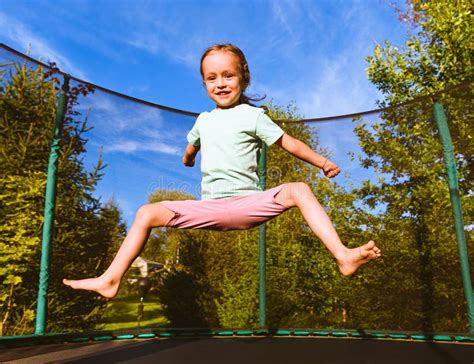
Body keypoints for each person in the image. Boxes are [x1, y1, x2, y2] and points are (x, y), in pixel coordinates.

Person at [63, 44, 381, 298]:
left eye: (228, 75)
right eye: (212, 78)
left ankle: (343, 255)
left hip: (247, 204)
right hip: (209, 208)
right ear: (204, 84)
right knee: (147, 212)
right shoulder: (203, 120)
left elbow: (290, 144)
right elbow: (191, 147)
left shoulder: (254, 116)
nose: (220, 83)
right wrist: (188, 158)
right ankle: (110, 279)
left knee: (298, 189)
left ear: (243, 77)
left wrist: (322, 162)